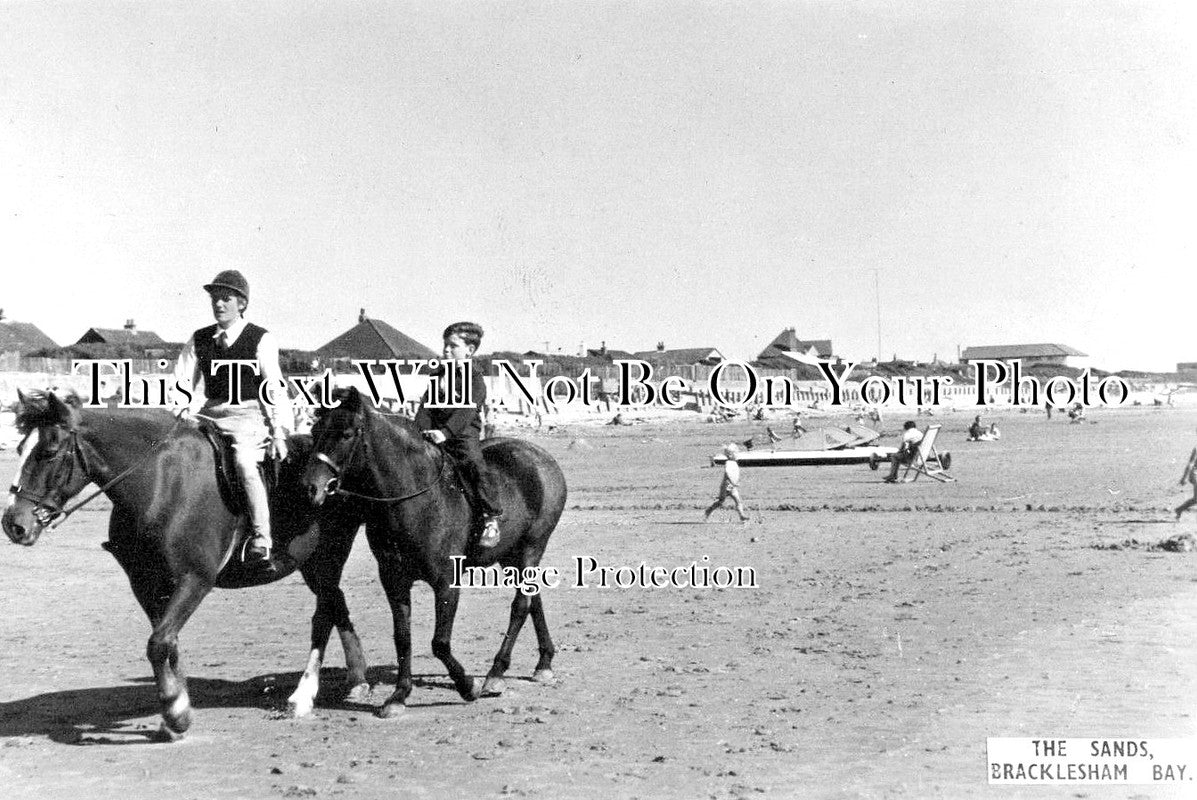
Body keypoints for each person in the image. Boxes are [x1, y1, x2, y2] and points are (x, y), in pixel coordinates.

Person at [174, 270, 291, 568]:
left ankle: (262, 538)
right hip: (210, 413)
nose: (218, 304)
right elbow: (182, 381)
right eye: (215, 298)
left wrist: (278, 432)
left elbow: (274, 387)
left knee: (243, 463)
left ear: (241, 303)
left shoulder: (260, 338)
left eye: (226, 298)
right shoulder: (199, 339)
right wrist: (181, 411)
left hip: (249, 417)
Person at [415, 321, 503, 547]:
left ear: (469, 351)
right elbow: (426, 405)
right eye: (445, 345)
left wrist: (445, 433)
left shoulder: (474, 379)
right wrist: (419, 429)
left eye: (453, 346)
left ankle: (491, 518)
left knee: (473, 462)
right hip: (434, 433)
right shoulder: (439, 375)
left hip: (462, 436)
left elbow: (466, 411)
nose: (446, 350)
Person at [704, 444, 750, 523]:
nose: (737, 455)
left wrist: (735, 483)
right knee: (722, 501)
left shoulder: (733, 463)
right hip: (727, 486)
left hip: (731, 486)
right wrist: (733, 482)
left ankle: (742, 515)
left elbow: (734, 474)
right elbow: (728, 473)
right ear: (731, 455)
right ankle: (709, 510)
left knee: (737, 501)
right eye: (735, 453)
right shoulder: (729, 463)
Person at [1176, 445, 1197, 521]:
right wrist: (1184, 478)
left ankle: (1179, 509)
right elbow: (1190, 464)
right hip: (1195, 474)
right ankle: (1179, 509)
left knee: (1196, 500)